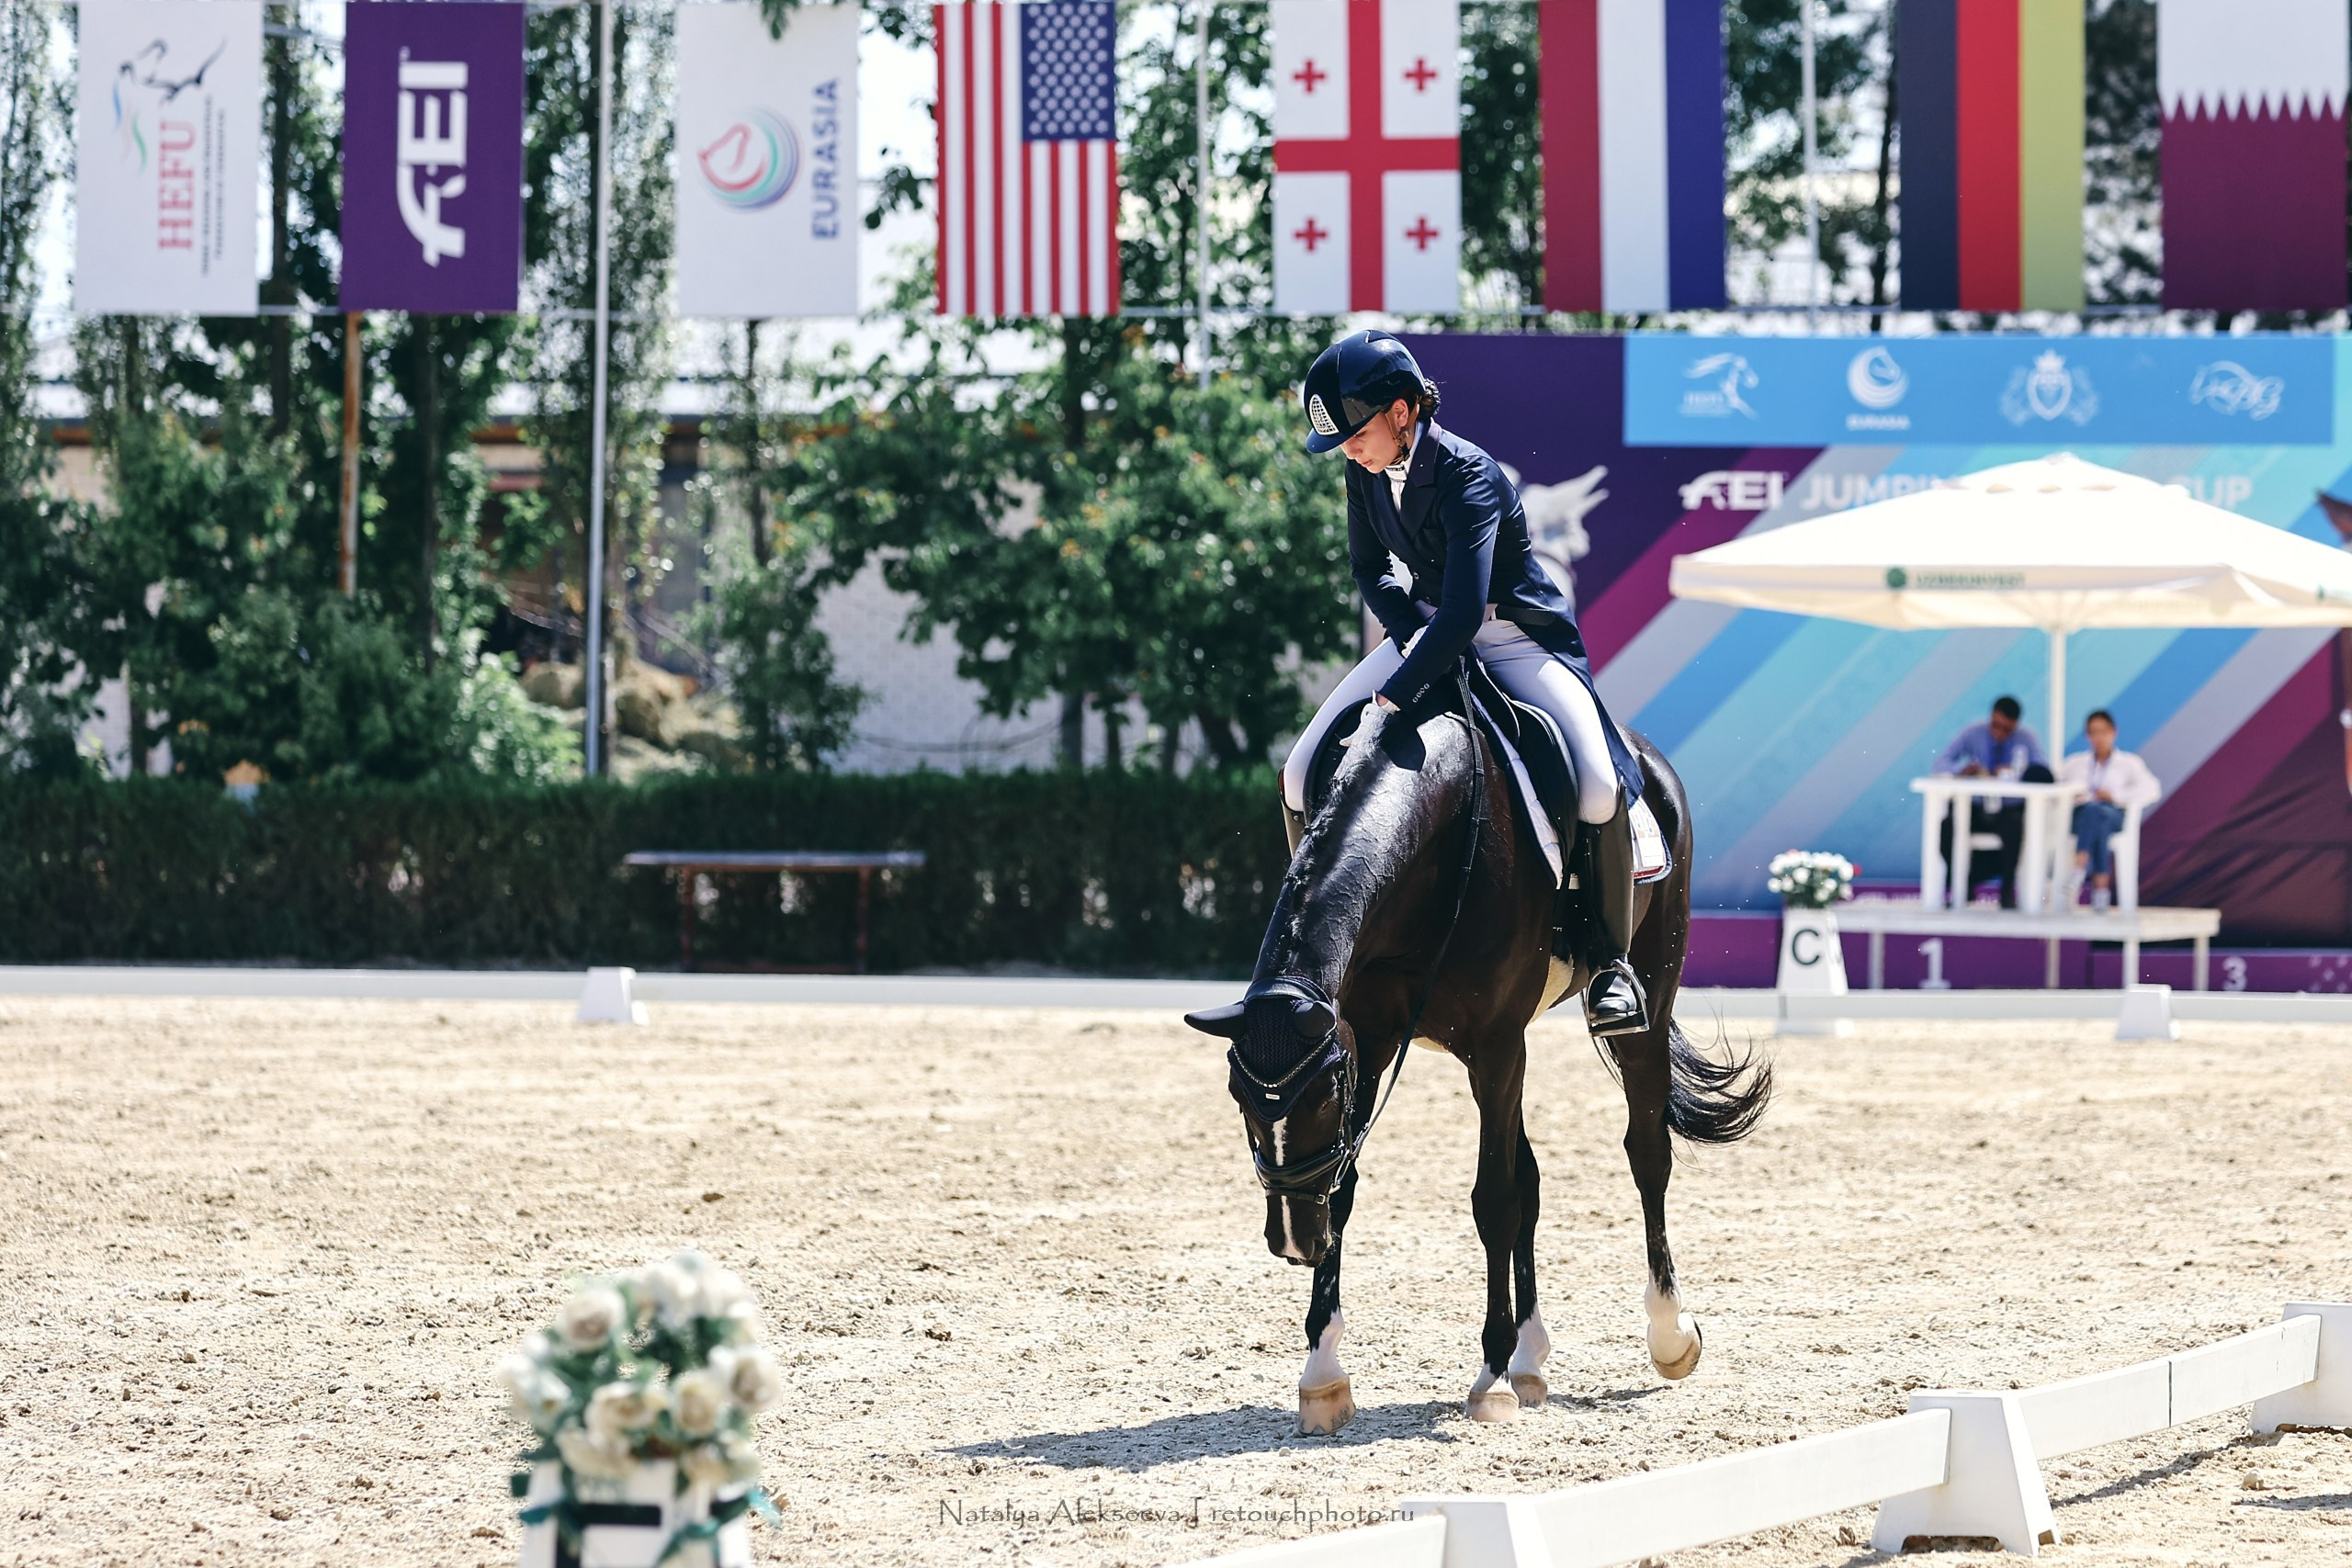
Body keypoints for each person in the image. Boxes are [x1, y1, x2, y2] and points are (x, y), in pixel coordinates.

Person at [1281, 330, 1651, 1037]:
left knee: (1598, 784)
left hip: (1511, 636)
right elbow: (1370, 570)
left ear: (1401, 411)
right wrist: (1408, 640)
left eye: (1355, 434)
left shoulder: (1468, 473)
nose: (1349, 452)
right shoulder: (1365, 470)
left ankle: (1610, 964)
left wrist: (1395, 694)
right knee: (1300, 772)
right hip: (1427, 630)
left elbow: (1465, 610)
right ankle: (1312, 948)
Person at [1930, 694, 2052, 908]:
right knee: (1947, 827)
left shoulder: (2026, 738)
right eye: (1996, 726)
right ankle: (1959, 885)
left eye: (2007, 729)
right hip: (1974, 808)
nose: (1999, 733)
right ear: (1991, 717)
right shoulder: (1973, 733)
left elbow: (2042, 771)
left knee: (2015, 828)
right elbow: (1941, 762)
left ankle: (2007, 889)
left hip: (2007, 809)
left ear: (2015, 725)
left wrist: (2017, 772)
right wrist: (1962, 770)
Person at [2057, 709, 2161, 909]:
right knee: (2095, 816)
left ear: (2113, 732)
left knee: (2098, 813)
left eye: (2103, 732)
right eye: (2093, 732)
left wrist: (2115, 796)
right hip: (2083, 816)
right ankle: (2101, 891)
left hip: (2113, 813)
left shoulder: (2129, 763)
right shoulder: (2075, 763)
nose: (2098, 738)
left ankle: (2080, 866)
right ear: (2087, 735)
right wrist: (2075, 794)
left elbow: (2152, 789)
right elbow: (2056, 786)